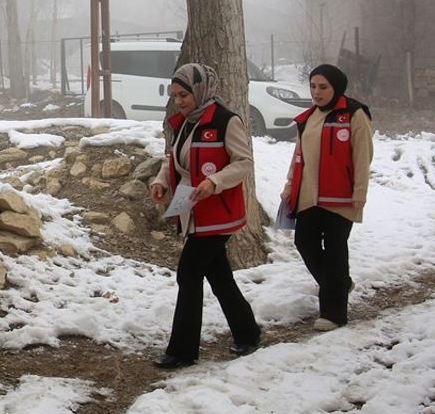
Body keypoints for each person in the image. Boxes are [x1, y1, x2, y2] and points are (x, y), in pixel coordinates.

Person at [149, 63, 262, 369]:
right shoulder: (185, 122)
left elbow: (244, 163)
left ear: (200, 90)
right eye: (175, 95)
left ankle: (182, 351)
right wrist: (161, 180)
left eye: (184, 94)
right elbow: (174, 158)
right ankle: (248, 332)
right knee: (219, 275)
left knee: (188, 273)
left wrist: (215, 182)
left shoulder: (226, 121)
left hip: (219, 213)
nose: (180, 101)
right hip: (192, 210)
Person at [280, 63, 373, 331]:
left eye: (323, 87)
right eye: (313, 87)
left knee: (334, 251)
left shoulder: (354, 114)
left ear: (337, 88)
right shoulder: (308, 118)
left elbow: (362, 156)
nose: (317, 92)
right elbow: (299, 155)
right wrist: (289, 185)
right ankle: (340, 284)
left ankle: (333, 313)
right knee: (304, 242)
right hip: (309, 195)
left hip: (341, 196)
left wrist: (359, 193)